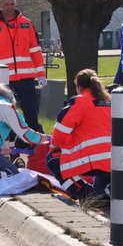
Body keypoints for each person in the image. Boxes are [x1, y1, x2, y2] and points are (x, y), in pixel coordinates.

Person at [0, 0, 46, 132]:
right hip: (3, 80)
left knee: (31, 113)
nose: (9, 7)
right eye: (6, 4)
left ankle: (35, 145)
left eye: (12, 3)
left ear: (15, 3)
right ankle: (7, 146)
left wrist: (41, 74)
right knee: (4, 115)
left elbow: (36, 51)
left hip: (26, 77)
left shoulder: (27, 24)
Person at [48, 69, 112, 199]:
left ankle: (83, 194)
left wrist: (53, 145)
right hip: (114, 159)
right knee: (101, 191)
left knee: (52, 159)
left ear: (79, 86)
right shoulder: (109, 101)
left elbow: (61, 131)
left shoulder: (80, 101)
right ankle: (101, 194)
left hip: (92, 158)